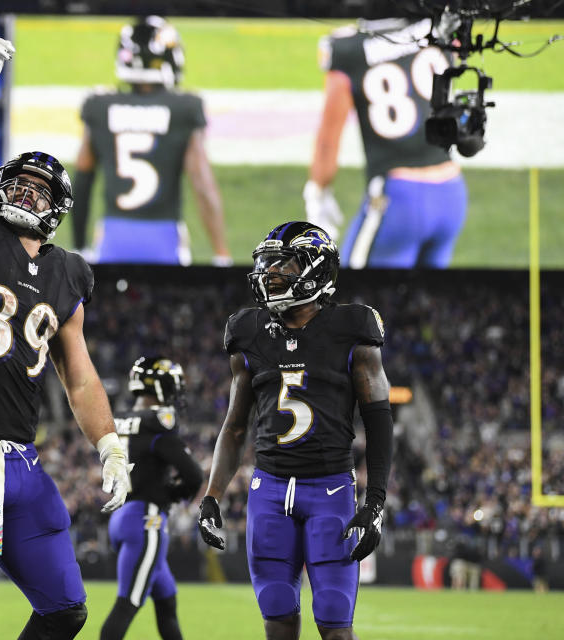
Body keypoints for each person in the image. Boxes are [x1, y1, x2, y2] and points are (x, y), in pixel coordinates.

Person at [0, 14, 131, 640]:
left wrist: (110, 445)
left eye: (42, 192)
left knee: (65, 610)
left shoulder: (69, 273)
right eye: (21, 186)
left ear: (58, 209)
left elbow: (79, 372)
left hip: (21, 458)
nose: (29, 198)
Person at [198, 221, 394, 640]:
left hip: (330, 491)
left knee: (335, 619)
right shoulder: (248, 332)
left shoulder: (352, 330)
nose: (271, 274)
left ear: (317, 269)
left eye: (283, 264)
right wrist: (212, 496)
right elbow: (235, 428)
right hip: (268, 489)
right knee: (277, 614)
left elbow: (379, 423)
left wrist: (375, 500)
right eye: (267, 265)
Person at [306, 18, 467, 268]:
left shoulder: (348, 47)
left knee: (351, 302)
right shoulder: (440, 24)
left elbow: (328, 137)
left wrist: (318, 192)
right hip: (451, 192)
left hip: (398, 197)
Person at [73, 15, 231, 266]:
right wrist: (221, 253)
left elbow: (82, 182)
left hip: (112, 239)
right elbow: (202, 183)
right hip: (164, 240)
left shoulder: (99, 105)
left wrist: (79, 246)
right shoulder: (184, 107)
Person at [101, 357, 203, 640]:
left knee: (167, 602)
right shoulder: (157, 423)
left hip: (121, 516)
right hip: (146, 520)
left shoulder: (118, 418)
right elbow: (193, 474)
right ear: (160, 388)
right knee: (127, 604)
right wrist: (169, 495)